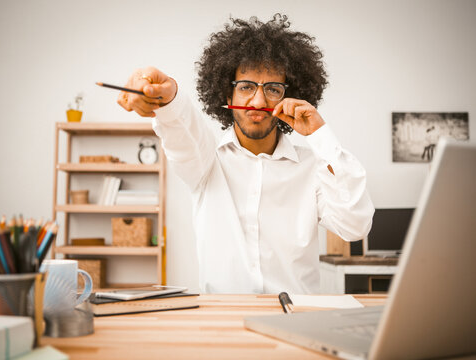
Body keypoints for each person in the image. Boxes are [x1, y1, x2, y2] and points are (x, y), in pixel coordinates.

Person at [117, 14, 374, 294]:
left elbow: (355, 226)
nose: (259, 101)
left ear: (291, 97)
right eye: (246, 87)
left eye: (273, 89)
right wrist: (167, 96)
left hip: (298, 320)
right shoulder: (206, 163)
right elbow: (183, 129)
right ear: (228, 97)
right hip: (223, 324)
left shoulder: (314, 168)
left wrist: (320, 135)